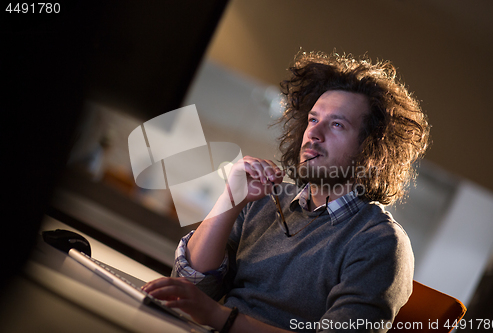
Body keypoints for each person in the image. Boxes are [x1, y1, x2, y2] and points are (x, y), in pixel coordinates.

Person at [142, 51, 430, 332]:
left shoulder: (380, 243)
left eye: (337, 124)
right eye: (313, 119)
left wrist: (218, 316)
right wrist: (231, 199)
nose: (314, 134)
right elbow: (189, 288)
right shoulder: (265, 200)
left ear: (372, 150)